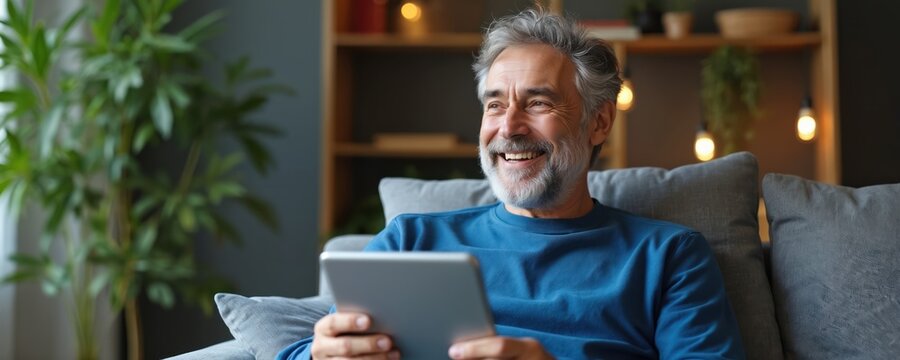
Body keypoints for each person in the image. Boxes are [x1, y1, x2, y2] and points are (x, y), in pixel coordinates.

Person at [278, 8, 745, 360]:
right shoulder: (411, 240)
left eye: (537, 102)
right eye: (495, 104)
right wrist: (317, 353)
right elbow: (321, 345)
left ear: (598, 122)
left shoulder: (669, 256)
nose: (509, 127)